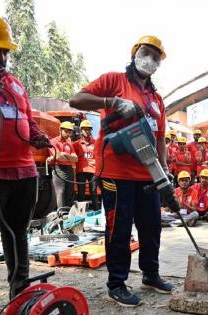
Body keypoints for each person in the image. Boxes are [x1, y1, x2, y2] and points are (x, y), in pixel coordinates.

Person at [69, 35, 173, 306]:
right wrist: (113, 103)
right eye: (146, 53)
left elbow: (160, 137)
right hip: (117, 172)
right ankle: (116, 283)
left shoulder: (157, 99)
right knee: (119, 228)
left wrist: (164, 170)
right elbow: (76, 100)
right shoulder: (113, 81)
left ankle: (151, 274)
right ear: (135, 53)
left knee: (151, 226)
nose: (149, 59)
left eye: (156, 57)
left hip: (148, 173)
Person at [0, 13, 51, 314]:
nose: (2, 56)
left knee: (17, 237)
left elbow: (25, 119)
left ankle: (21, 296)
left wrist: (38, 136)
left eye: (5, 50)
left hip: (23, 173)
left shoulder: (14, 84)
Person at [49, 121, 78, 209]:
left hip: (69, 169)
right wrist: (69, 157)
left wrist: (64, 154)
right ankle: (61, 213)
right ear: (60, 130)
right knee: (60, 192)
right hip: (58, 168)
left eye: (70, 132)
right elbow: (58, 157)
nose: (68, 134)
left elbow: (76, 159)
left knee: (70, 191)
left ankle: (69, 213)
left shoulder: (69, 143)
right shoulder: (53, 141)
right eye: (66, 131)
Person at [73, 119, 98, 210]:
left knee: (93, 192)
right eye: (85, 129)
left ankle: (96, 212)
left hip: (93, 171)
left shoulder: (96, 143)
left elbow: (99, 156)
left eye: (89, 129)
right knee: (81, 192)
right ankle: (80, 214)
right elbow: (72, 156)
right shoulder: (76, 144)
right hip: (81, 171)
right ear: (81, 130)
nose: (87, 131)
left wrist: (96, 162)